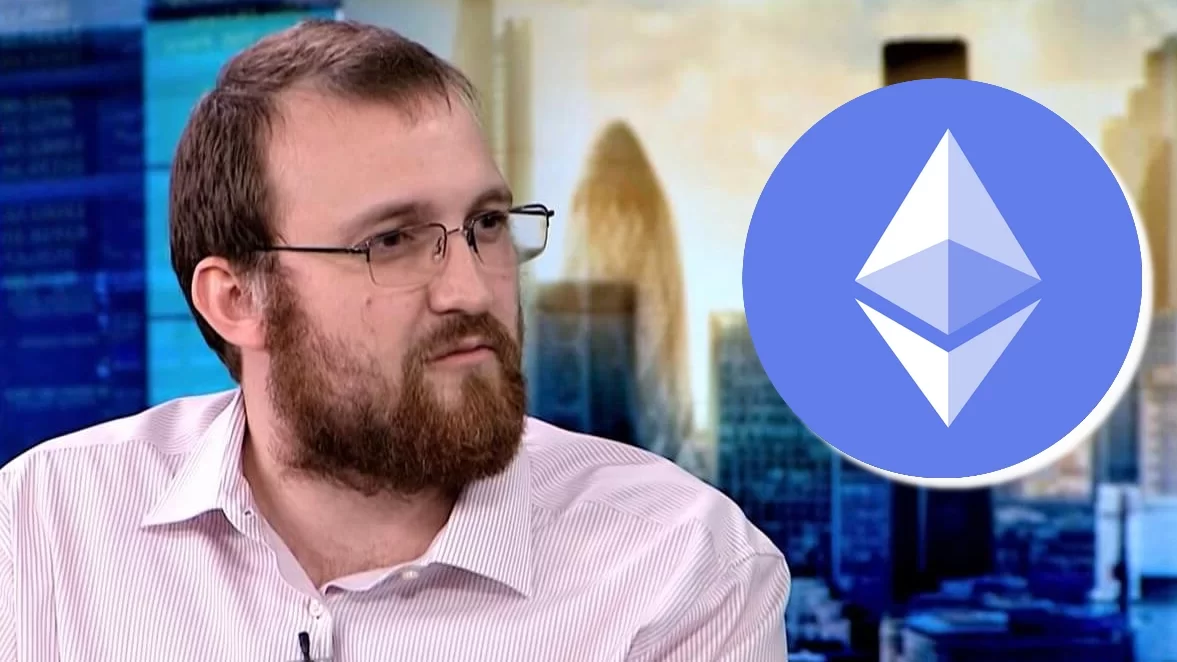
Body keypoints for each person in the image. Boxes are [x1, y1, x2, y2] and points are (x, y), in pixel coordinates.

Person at [0, 19, 790, 661]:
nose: (470, 290)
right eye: (392, 241)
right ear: (236, 301)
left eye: (486, 224)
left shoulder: (680, 570)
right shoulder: (43, 528)